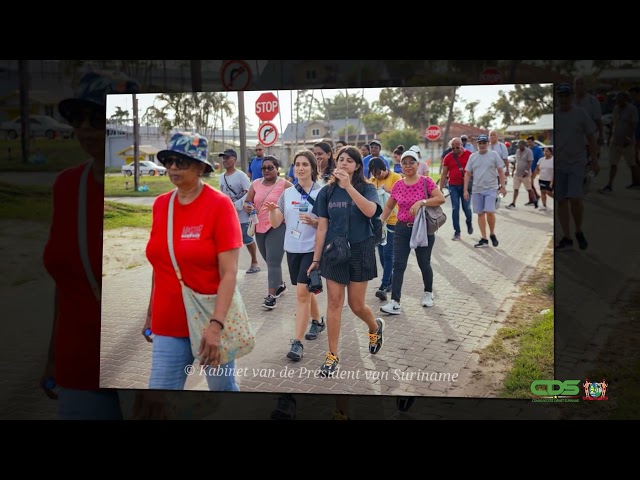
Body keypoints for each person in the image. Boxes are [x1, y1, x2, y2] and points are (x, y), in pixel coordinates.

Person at [41, 71, 140, 419]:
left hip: (141, 361)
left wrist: (163, 383)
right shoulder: (66, 186)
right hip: (78, 360)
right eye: (77, 118)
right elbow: (66, 280)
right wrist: (53, 355)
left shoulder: (154, 193)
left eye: (97, 118)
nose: (84, 127)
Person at [143, 131, 242, 391]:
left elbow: (229, 273)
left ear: (200, 167)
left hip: (209, 319)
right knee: (159, 398)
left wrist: (216, 326)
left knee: (222, 393)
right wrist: (150, 312)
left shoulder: (219, 205)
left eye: (182, 161)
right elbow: (160, 263)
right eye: (169, 161)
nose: (173, 167)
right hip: (168, 321)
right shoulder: (160, 205)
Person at [307, 145, 385, 376]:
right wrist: (316, 259)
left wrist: (348, 187)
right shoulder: (327, 192)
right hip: (335, 252)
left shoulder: (366, 188)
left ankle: (375, 326)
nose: (343, 163)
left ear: (357, 166)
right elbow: (322, 227)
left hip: (361, 250)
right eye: (341, 159)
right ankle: (332, 355)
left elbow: (371, 211)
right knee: (333, 303)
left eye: (349, 161)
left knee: (356, 305)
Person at [264, 150, 325, 360]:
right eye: (297, 164)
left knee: (301, 294)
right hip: (292, 249)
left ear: (313, 168)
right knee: (305, 291)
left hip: (312, 250)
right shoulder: (287, 193)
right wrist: (272, 210)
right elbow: (275, 222)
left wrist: (314, 222)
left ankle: (297, 343)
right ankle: (318, 321)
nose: (300, 168)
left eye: (305, 165)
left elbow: (329, 224)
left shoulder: (322, 193)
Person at [379, 149, 446, 315]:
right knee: (398, 264)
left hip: (422, 227)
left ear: (417, 164)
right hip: (402, 228)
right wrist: (380, 221)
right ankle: (395, 302)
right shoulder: (398, 185)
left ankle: (428, 293)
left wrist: (422, 202)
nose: (408, 166)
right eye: (404, 162)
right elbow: (389, 205)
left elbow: (440, 198)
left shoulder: (426, 181)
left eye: (411, 162)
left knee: (424, 263)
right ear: (400, 165)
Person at [243, 155, 293, 309]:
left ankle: (271, 296)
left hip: (278, 226)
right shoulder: (256, 184)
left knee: (272, 261)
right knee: (268, 259)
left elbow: (297, 199)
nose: (266, 170)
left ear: (277, 169)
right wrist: (247, 206)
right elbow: (247, 201)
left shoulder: (284, 184)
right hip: (259, 227)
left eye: (270, 167)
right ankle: (280, 285)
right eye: (263, 168)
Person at [554, 83, 599, 250]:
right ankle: (567, 237)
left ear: (571, 97)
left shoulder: (581, 114)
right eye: (561, 96)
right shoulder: (555, 116)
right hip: (559, 165)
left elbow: (591, 138)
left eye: (567, 96)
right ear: (557, 98)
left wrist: (594, 160)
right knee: (561, 201)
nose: (564, 99)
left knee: (575, 199)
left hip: (577, 163)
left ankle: (578, 230)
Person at [217, 148, 261, 274]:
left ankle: (254, 262)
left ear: (234, 159)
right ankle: (229, 266)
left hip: (241, 214)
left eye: (227, 157)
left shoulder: (241, 176)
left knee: (247, 238)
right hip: (227, 214)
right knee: (228, 240)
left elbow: (249, 192)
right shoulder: (221, 177)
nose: (225, 160)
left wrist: (236, 204)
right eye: (223, 158)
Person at [464, 134, 507, 248]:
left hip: (491, 188)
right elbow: (467, 173)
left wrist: (503, 186)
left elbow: (500, 171)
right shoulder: (473, 157)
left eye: (484, 143)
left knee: (489, 211)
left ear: (488, 144)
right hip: (477, 189)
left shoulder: (493, 155)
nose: (482, 145)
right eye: (480, 143)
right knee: (480, 214)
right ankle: (484, 238)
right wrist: (465, 190)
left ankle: (492, 233)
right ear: (477, 144)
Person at [368, 157, 402, 302]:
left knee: (388, 254)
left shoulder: (396, 177)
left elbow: (401, 196)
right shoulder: (371, 181)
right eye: (374, 174)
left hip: (393, 222)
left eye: (378, 173)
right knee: (381, 255)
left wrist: (387, 190)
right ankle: (390, 281)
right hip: (378, 223)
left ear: (384, 168)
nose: (376, 176)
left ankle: (383, 285)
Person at [439, 137, 473, 241]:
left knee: (466, 207)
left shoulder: (470, 155)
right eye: (453, 148)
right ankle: (457, 232)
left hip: (465, 186)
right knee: (455, 209)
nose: (455, 149)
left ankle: (469, 222)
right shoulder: (448, 157)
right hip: (453, 185)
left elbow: (475, 169)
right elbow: (444, 173)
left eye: (457, 147)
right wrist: (440, 188)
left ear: (461, 145)